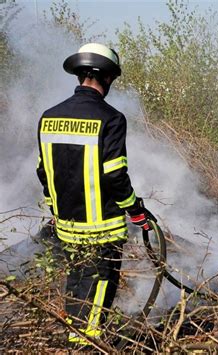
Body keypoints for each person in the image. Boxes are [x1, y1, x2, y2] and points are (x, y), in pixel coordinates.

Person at [36, 43, 153, 345]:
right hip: (102, 229)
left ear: (80, 75)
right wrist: (136, 209)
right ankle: (87, 346)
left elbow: (43, 172)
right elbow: (115, 174)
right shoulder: (111, 118)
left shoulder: (49, 117)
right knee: (99, 289)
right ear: (108, 78)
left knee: (76, 283)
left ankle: (73, 341)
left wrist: (56, 209)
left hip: (67, 226)